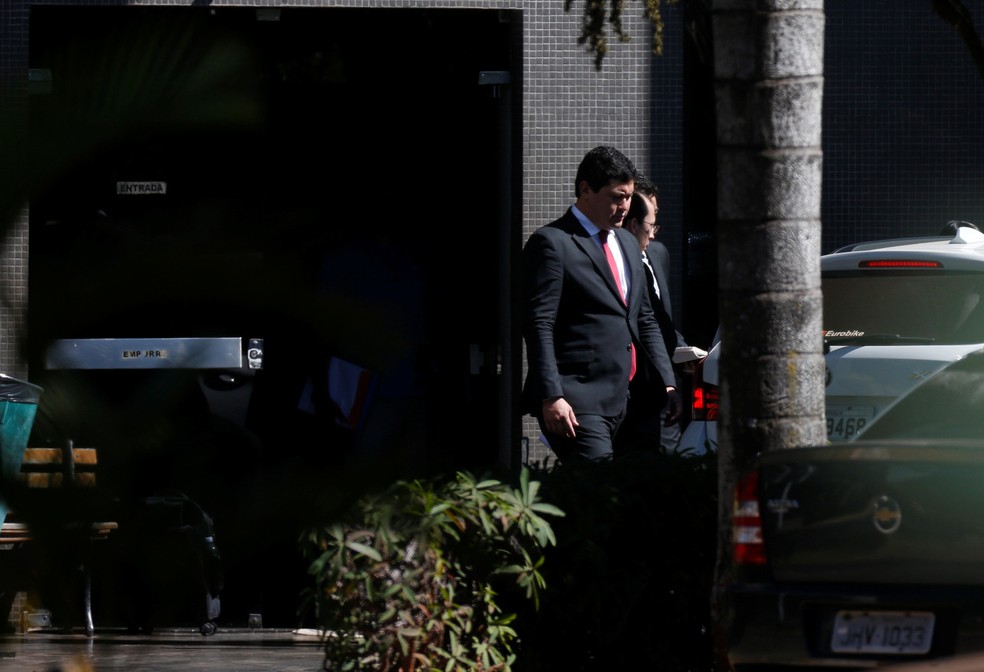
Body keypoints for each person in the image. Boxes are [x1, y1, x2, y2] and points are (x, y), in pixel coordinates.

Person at [521, 146, 682, 463]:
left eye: (629, 197)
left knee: (635, 486)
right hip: (579, 399)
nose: (625, 207)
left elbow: (644, 318)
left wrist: (667, 383)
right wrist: (551, 394)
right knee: (597, 479)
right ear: (585, 190)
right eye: (616, 197)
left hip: (633, 398)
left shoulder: (627, 242)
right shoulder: (553, 242)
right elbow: (539, 324)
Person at [615, 181, 694, 454]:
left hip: (663, 380)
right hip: (626, 383)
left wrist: (685, 356)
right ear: (633, 223)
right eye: (650, 224)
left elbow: (659, 320)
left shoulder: (658, 254)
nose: (653, 233)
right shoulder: (612, 259)